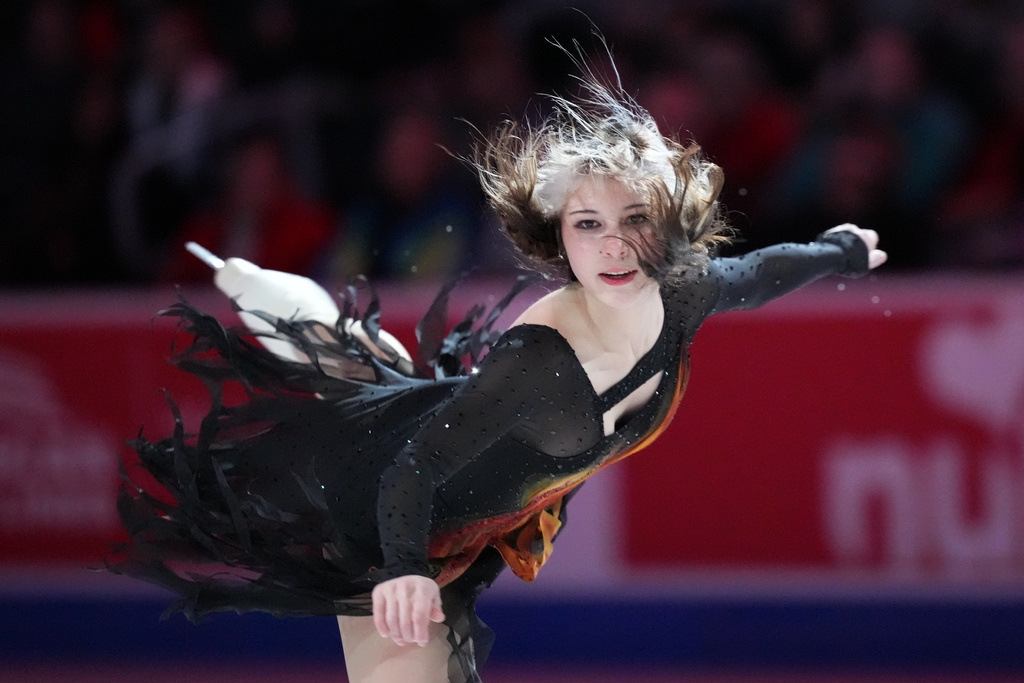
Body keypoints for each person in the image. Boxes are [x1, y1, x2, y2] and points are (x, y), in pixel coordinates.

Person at [109, 54, 886, 683]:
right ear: (561, 237)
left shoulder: (683, 292)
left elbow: (758, 274)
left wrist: (841, 249)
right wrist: (405, 569)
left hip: (471, 525)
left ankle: (347, 350)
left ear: (668, 227)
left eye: (634, 221)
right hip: (385, 517)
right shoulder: (538, 360)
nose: (612, 247)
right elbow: (412, 470)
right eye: (588, 225)